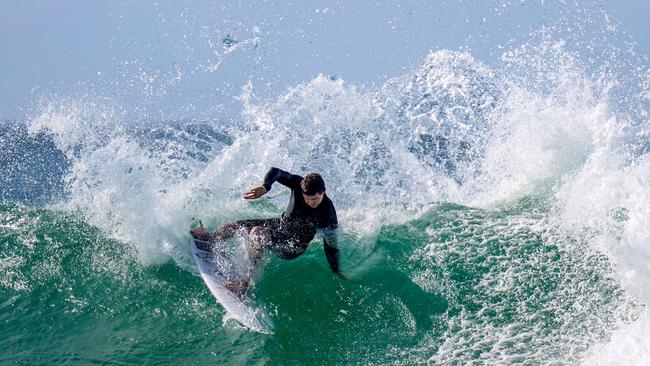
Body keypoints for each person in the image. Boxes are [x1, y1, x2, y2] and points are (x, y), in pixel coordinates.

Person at [190, 167, 342, 293]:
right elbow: (276, 172)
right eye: (306, 198)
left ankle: (245, 282)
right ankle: (211, 238)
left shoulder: (328, 214)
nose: (309, 202)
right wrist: (266, 186)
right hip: (280, 224)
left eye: (314, 199)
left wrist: (335, 269)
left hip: (293, 245)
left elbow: (331, 245)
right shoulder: (298, 183)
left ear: (323, 192)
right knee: (233, 226)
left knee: (257, 233)